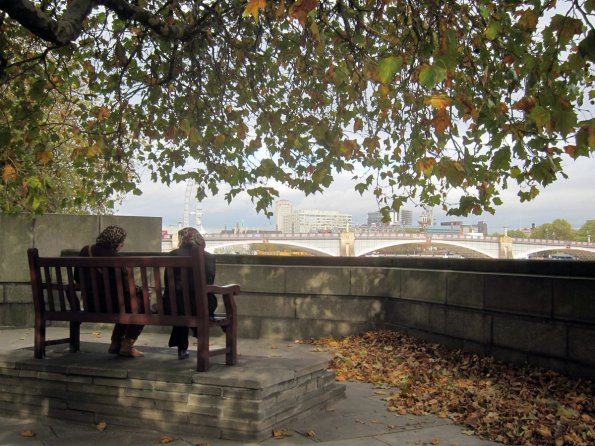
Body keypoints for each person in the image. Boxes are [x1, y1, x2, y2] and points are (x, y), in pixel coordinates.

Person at [76, 225, 145, 358]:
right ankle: (126, 345)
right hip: (114, 306)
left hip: (90, 304)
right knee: (140, 305)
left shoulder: (86, 250)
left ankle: (116, 344)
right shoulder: (116, 258)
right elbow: (126, 286)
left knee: (128, 305)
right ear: (118, 242)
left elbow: (77, 277)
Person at [164, 227, 217, 359]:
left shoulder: (172, 255)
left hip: (172, 306)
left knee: (181, 306)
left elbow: (167, 282)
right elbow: (209, 282)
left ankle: (182, 348)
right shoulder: (208, 257)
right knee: (196, 304)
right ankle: (200, 339)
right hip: (199, 307)